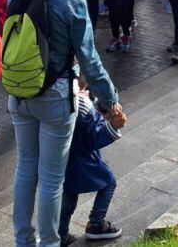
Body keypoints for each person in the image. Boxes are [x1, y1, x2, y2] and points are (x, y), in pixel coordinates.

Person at [9, 0, 125, 247]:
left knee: (25, 171)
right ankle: (48, 242)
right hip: (56, 94)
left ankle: (23, 242)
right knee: (51, 179)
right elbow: (89, 59)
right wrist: (110, 100)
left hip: (19, 90)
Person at [57, 78, 123, 245]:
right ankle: (96, 224)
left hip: (61, 158)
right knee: (108, 182)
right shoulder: (83, 104)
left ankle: (60, 234)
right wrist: (114, 126)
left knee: (69, 194)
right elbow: (96, 138)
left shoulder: (58, 95)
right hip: (83, 158)